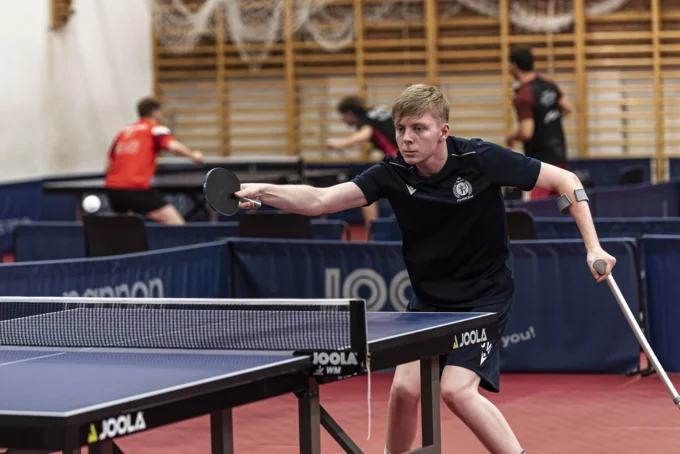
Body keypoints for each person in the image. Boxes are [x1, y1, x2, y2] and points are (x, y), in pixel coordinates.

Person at [235, 83, 616, 454]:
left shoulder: (480, 159)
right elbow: (320, 200)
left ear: (443, 131)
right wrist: (262, 191)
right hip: (429, 300)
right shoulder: (392, 172)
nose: (407, 139)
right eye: (401, 128)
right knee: (404, 388)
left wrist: (593, 246)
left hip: (483, 298)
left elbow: (564, 180)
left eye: (419, 129)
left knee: (456, 391)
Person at [104, 97, 204, 224]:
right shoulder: (156, 129)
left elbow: (109, 163)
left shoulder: (123, 131)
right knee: (177, 224)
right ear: (155, 112)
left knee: (127, 228)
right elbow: (174, 147)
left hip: (113, 190)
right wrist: (194, 155)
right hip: (137, 189)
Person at [506, 46, 573, 200]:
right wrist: (547, 122)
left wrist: (512, 137)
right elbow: (567, 108)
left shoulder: (523, 95)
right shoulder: (549, 85)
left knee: (535, 208)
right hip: (560, 156)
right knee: (559, 205)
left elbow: (526, 132)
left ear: (514, 65)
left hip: (539, 166)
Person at [327, 96, 399, 228]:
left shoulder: (365, 120)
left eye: (343, 116)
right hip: (408, 156)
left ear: (349, 113)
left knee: (366, 191)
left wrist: (340, 143)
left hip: (398, 159)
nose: (343, 120)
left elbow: (365, 133)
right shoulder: (377, 111)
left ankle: (373, 232)